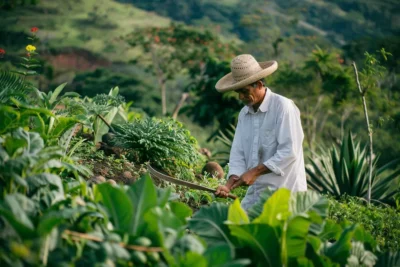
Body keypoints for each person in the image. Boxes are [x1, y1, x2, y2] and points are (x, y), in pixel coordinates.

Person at [214, 54, 307, 210]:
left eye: (244, 91)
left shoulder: (283, 107)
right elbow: (238, 153)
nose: (241, 97)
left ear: (258, 84)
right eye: (238, 92)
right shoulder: (244, 114)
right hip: (257, 194)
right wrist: (228, 185)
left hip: (286, 195)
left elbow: (289, 151)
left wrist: (255, 172)